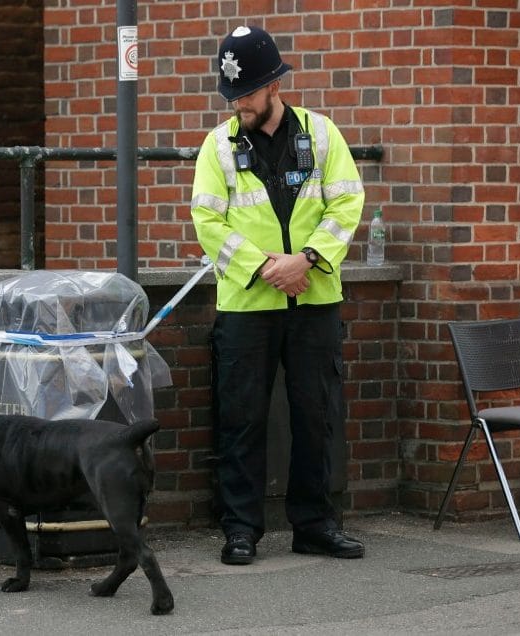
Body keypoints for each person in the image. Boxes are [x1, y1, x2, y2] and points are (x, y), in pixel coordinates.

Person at [189, 26, 366, 565]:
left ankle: (315, 524)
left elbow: (346, 204)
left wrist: (306, 261)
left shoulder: (323, 134)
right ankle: (241, 529)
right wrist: (266, 266)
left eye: (245, 93)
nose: (237, 103)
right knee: (241, 419)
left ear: (274, 86)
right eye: (231, 95)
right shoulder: (217, 145)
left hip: (313, 300)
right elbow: (207, 220)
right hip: (248, 304)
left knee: (317, 415)